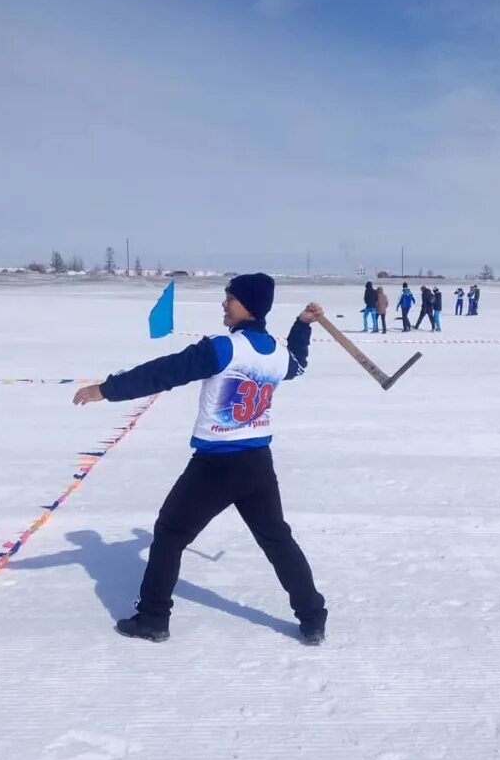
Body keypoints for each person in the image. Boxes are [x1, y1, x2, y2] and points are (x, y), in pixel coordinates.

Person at [72, 273, 328, 645]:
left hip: (217, 465)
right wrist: (301, 327)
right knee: (276, 539)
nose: (224, 304)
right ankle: (313, 617)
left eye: (230, 298)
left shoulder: (223, 348)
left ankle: (153, 619)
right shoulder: (276, 351)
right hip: (257, 462)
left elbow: (165, 371)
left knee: (170, 533)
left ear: (248, 306)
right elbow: (298, 364)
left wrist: (107, 390)